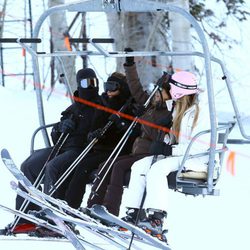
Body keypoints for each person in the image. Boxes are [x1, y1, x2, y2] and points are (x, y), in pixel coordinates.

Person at [4, 68, 101, 234]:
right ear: (79, 85)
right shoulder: (73, 108)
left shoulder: (101, 106)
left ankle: (53, 215)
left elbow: (104, 133)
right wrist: (60, 128)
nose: (91, 87)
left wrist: (90, 135)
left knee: (53, 166)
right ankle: (25, 219)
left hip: (81, 150)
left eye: (94, 82)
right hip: (63, 147)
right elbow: (56, 135)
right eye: (87, 83)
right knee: (29, 165)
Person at [122, 70, 212, 242]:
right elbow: (174, 138)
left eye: (171, 88)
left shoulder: (199, 113)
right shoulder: (177, 109)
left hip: (196, 160)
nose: (169, 92)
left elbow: (198, 147)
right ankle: (134, 213)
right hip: (179, 156)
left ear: (178, 90)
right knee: (139, 166)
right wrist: (165, 138)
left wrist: (168, 150)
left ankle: (156, 219)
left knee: (157, 169)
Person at [85, 49, 173, 218]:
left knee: (117, 167)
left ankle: (110, 211)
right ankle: (93, 207)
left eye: (159, 91)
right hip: (138, 152)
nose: (155, 94)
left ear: (169, 95)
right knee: (106, 165)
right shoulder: (150, 105)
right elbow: (136, 88)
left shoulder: (168, 113)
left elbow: (159, 134)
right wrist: (130, 65)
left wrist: (143, 119)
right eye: (155, 90)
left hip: (149, 154)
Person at [62, 72, 137, 209]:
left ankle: (82, 205)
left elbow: (133, 134)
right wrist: (94, 134)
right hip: (100, 149)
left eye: (113, 87)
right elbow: (95, 125)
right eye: (106, 86)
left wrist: (120, 124)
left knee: (85, 166)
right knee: (77, 163)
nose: (108, 90)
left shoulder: (129, 107)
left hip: (117, 150)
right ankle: (67, 203)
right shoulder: (104, 104)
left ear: (122, 89)